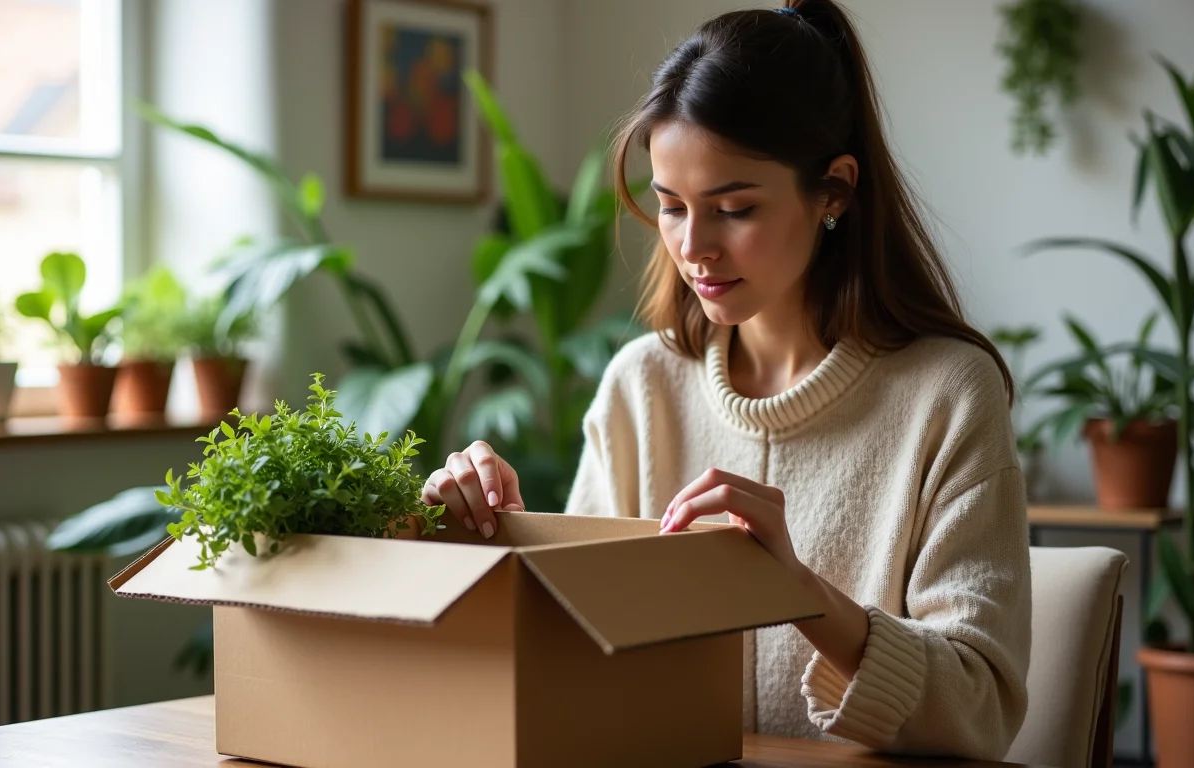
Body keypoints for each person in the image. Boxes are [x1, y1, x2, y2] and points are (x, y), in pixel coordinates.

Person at [421, 0, 1031, 760]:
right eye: (671, 206)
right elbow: (571, 669)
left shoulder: (948, 395)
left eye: (734, 208)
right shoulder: (639, 388)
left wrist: (796, 593)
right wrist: (490, 544)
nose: (694, 246)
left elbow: (983, 707)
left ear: (834, 191)